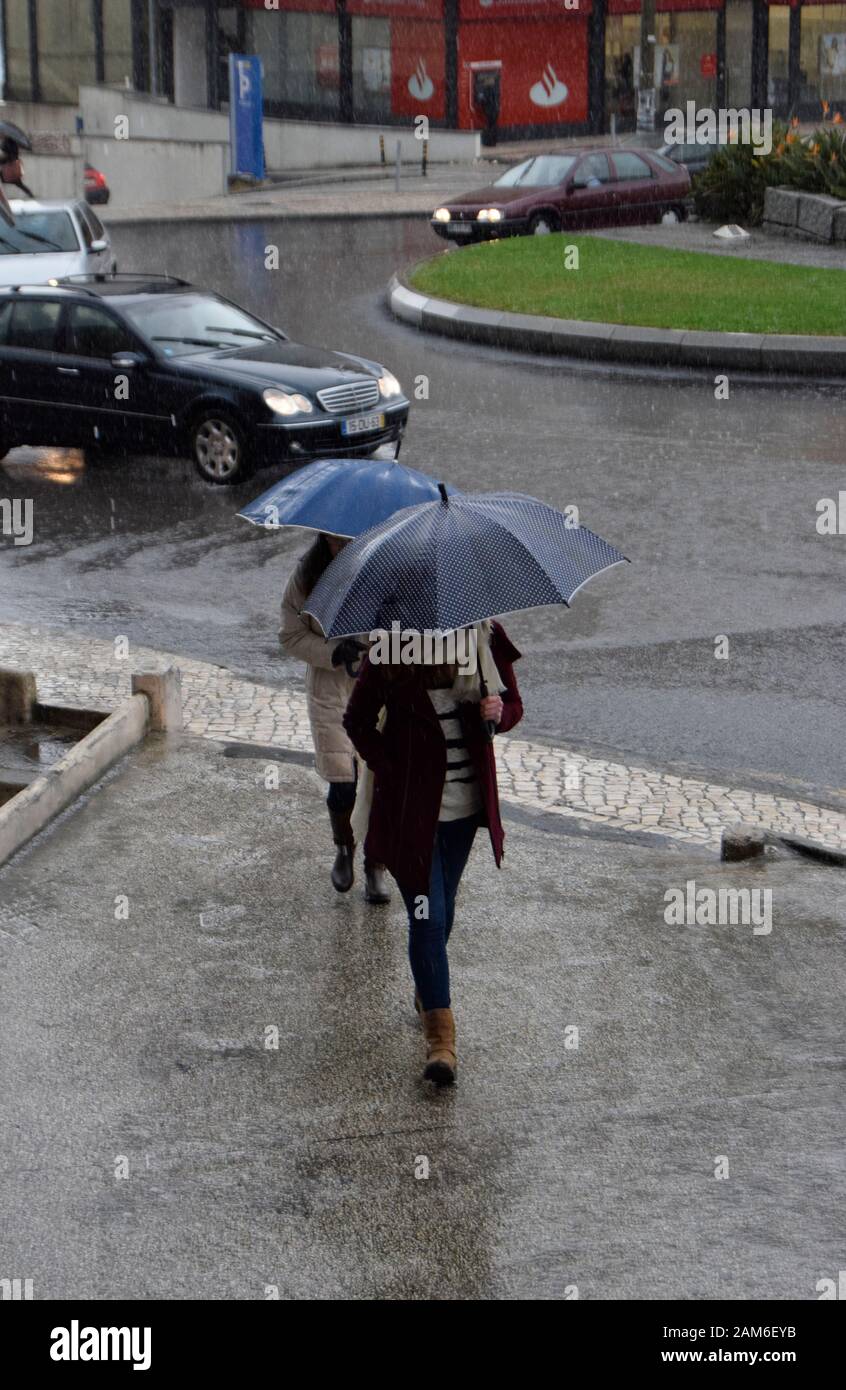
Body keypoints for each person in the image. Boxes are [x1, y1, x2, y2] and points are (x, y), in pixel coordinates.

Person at [343, 620, 523, 1085]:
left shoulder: (485, 637)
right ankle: (441, 1043)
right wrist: (391, 770)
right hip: (410, 817)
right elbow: (356, 721)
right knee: (428, 917)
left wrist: (497, 712)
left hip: (465, 811)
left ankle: (428, 987)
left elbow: (514, 707)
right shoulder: (389, 650)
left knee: (446, 908)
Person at [279, 532, 391, 904]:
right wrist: (333, 651)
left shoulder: (385, 572)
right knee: (344, 780)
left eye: (347, 541)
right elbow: (292, 635)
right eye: (333, 541)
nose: (340, 548)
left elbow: (409, 631)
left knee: (378, 781)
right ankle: (345, 848)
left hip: (379, 689)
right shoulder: (308, 575)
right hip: (330, 690)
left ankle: (377, 863)